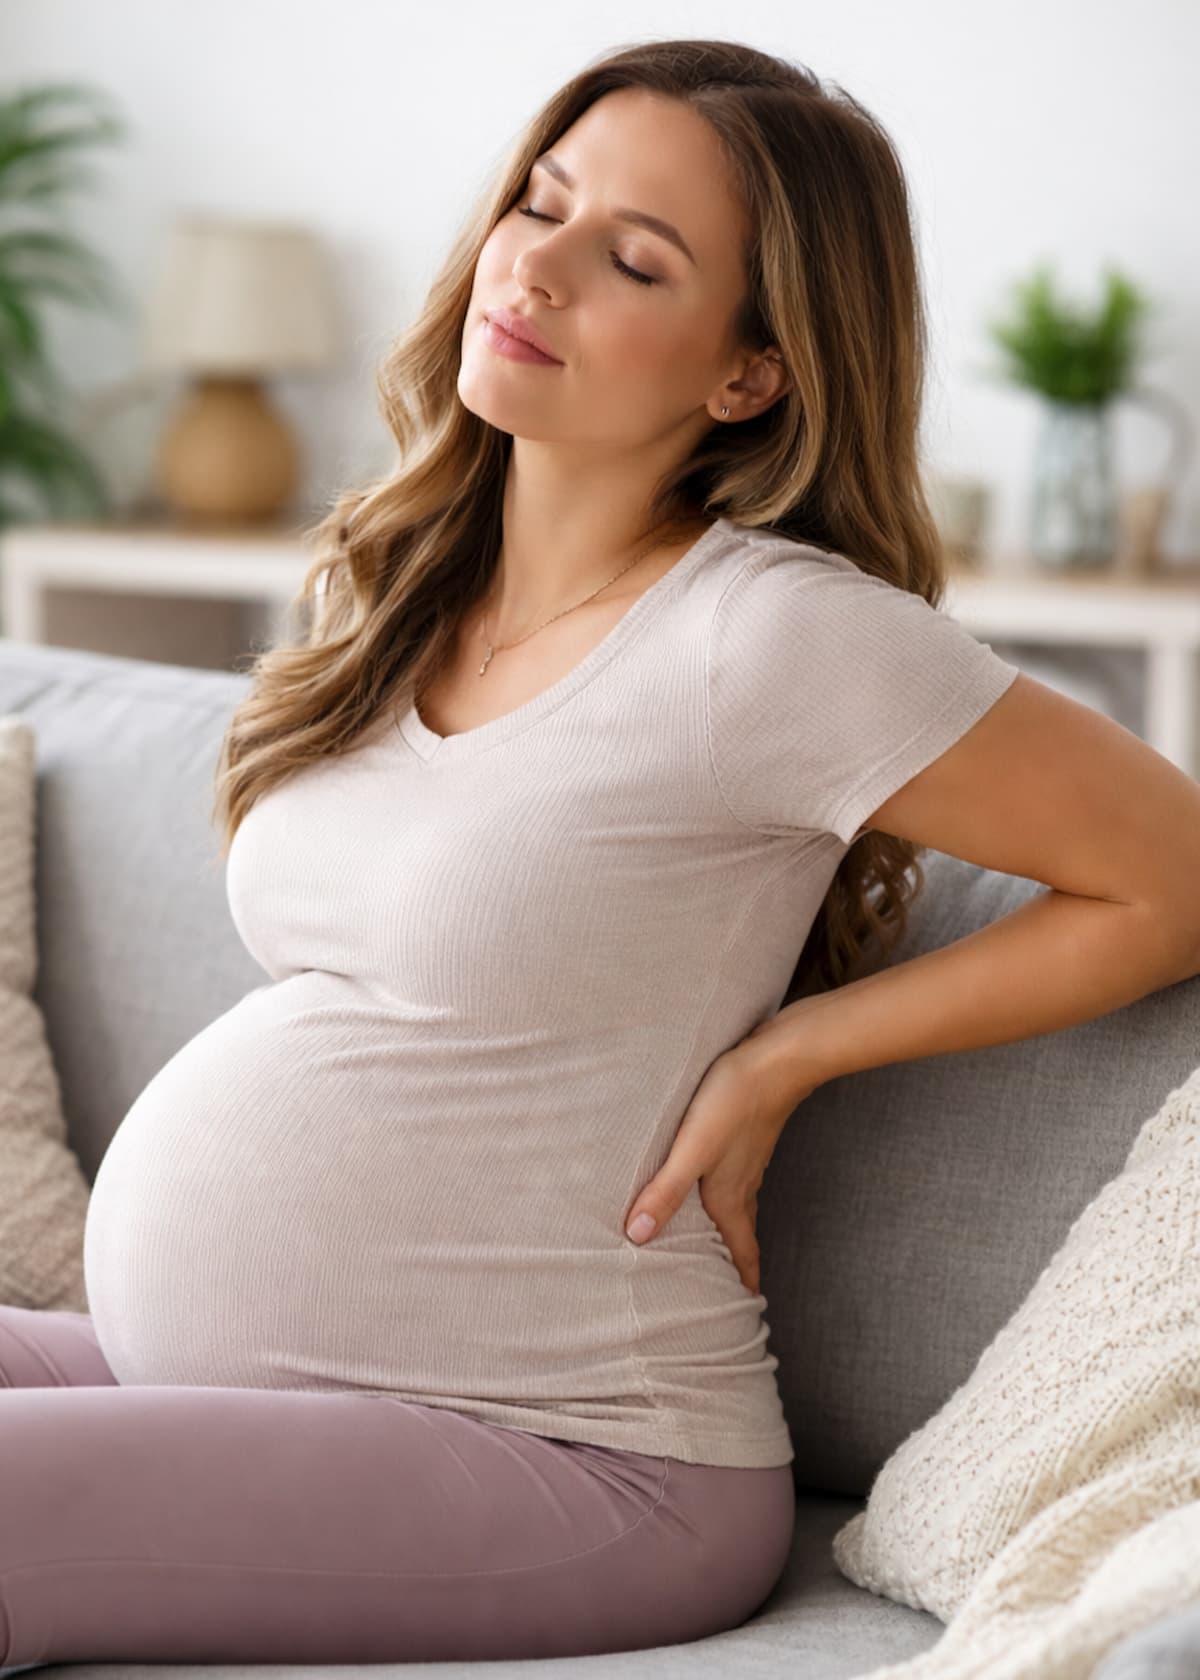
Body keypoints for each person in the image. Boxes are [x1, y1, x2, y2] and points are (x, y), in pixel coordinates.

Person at [1, 36, 1042, 1667]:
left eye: (632, 258)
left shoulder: (772, 638)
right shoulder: (403, 587)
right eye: (540, 204)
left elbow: (1174, 869)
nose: (534, 267)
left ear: (749, 372)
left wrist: (790, 1055)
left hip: (588, 1456)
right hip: (246, 1382)